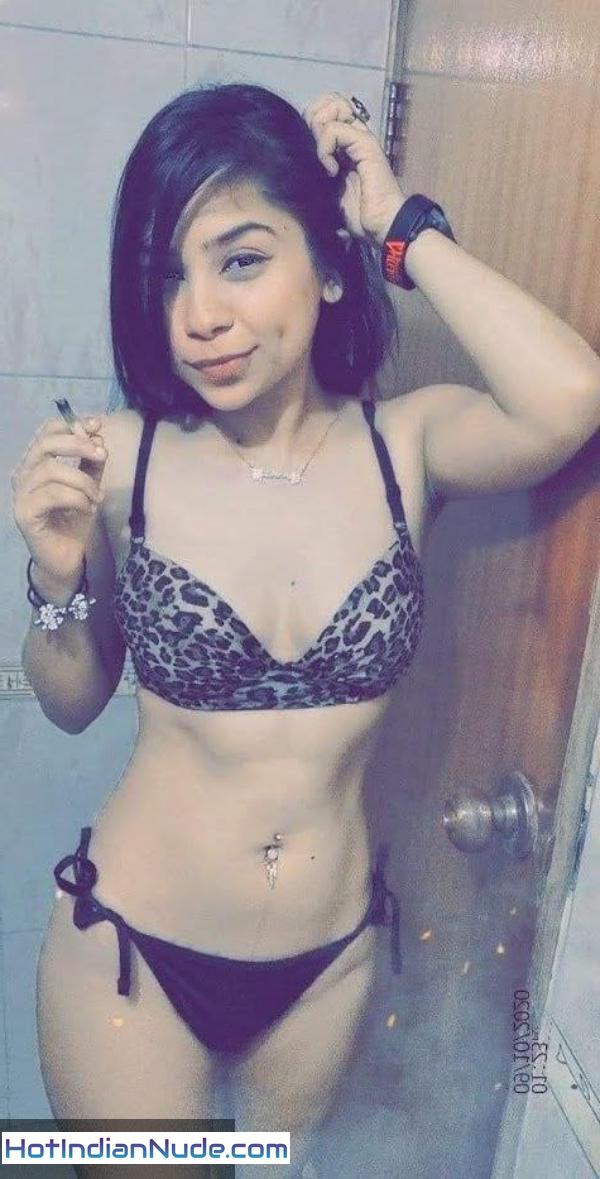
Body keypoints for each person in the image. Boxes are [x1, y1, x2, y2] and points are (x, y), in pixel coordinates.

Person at [11, 81, 600, 1178]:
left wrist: (398, 224)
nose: (199, 313)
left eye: (240, 259)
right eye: (167, 276)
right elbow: (72, 699)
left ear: (328, 266)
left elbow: (570, 396)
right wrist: (51, 580)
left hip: (329, 968)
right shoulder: (119, 457)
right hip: (131, 955)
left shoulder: (406, 445)